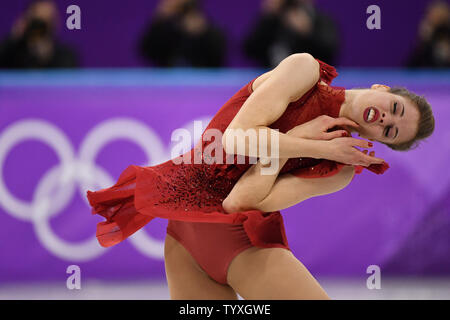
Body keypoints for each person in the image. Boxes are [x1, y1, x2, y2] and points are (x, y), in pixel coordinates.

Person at [86, 53, 434, 299]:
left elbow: (239, 202)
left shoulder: (339, 171)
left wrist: (312, 147)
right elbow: (236, 136)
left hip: (239, 246)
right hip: (184, 234)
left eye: (390, 131)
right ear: (383, 90)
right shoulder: (305, 70)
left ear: (378, 141)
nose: (385, 119)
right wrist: (313, 144)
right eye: (396, 110)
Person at [243, 0, 339, 68]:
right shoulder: (271, 21)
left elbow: (329, 51)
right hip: (272, 78)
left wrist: (307, 32)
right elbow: (249, 49)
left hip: (310, 79)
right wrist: (268, 17)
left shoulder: (320, 20)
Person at [139, 0, 226, 67]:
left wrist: (204, 33)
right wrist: (159, 19)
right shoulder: (164, 28)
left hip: (201, 84)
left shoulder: (209, 31)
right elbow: (146, 51)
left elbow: (218, 59)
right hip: (168, 84)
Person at [0, 0, 78, 69]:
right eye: (37, 21)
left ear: (55, 23)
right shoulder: (13, 53)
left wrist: (48, 57)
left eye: (47, 21)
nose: (40, 29)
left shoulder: (66, 55)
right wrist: (13, 36)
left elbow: (67, 80)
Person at [407, 0, 450, 68]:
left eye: (437, 14)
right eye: (430, 14)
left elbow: (444, 59)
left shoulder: (447, 34)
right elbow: (412, 65)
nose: (432, 16)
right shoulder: (428, 35)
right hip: (428, 73)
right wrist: (425, 40)